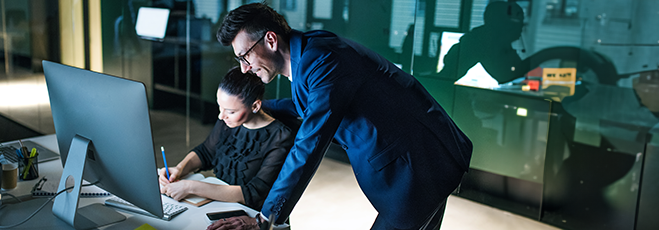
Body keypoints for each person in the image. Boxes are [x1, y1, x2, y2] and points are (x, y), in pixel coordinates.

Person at [210, 3, 472, 230]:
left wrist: (266, 218)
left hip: (417, 168)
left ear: (270, 40)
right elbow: (310, 105)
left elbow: (308, 146)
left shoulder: (323, 60)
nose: (244, 68)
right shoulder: (308, 52)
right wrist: (259, 107)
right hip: (420, 160)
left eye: (245, 56)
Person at [159, 67, 294, 211]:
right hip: (219, 204)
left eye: (230, 111)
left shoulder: (280, 137)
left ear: (255, 106)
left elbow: (254, 192)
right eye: (220, 107)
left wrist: (191, 187)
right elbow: (205, 152)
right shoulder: (228, 120)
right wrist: (179, 168)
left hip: (249, 215)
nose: (221, 116)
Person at [438, 1, 527, 83]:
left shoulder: (483, 38)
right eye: (516, 22)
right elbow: (504, 77)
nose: (521, 28)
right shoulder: (482, 42)